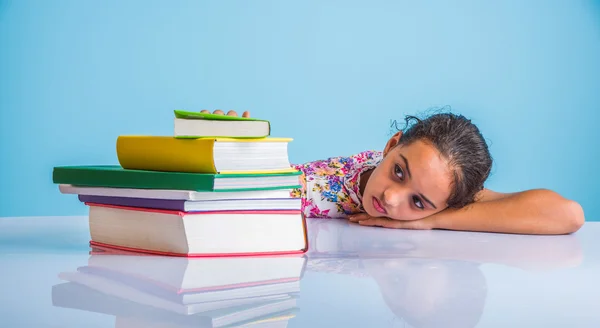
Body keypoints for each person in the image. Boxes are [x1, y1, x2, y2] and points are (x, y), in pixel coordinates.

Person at [200, 108, 585, 235]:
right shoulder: (318, 186)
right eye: (398, 172)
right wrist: (232, 156)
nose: (390, 198)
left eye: (418, 201)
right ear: (390, 147)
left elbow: (568, 215)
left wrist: (431, 222)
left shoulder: (446, 195)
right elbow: (247, 194)